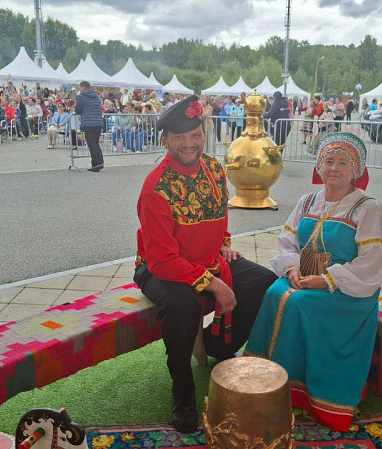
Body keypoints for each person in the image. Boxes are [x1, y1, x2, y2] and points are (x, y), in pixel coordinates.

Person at [133, 95, 276, 433]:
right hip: (157, 267)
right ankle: (183, 394)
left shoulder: (213, 167)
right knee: (182, 305)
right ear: (165, 140)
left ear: (204, 133)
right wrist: (215, 284)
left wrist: (224, 246)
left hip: (208, 260)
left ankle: (219, 346)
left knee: (263, 281)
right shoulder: (156, 187)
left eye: (195, 134)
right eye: (179, 137)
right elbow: (164, 260)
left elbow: (220, 215)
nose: (188, 143)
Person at [244, 132, 382, 432]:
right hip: (304, 277)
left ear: (357, 171)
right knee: (274, 291)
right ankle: (264, 378)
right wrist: (291, 271)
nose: (334, 168)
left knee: (296, 302)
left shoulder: (367, 207)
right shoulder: (307, 200)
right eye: (328, 160)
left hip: (347, 290)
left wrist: (327, 281)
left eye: (343, 162)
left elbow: (372, 261)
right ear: (318, 166)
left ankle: (307, 394)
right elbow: (288, 242)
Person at [75, 81, 104, 172]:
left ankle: (96, 163)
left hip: (88, 123)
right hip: (98, 123)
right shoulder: (97, 97)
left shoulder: (81, 97)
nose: (79, 89)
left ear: (83, 87)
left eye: (80, 87)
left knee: (91, 144)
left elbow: (78, 110)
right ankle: (100, 161)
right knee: (96, 143)